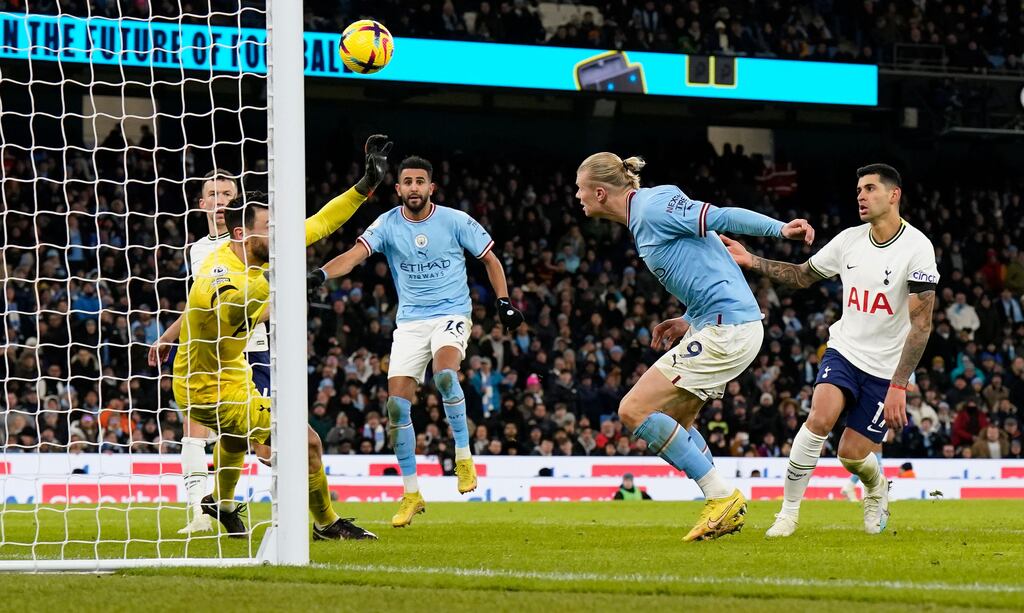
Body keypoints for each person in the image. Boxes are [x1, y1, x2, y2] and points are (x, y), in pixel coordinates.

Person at [574, 152, 813, 541]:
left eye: (580, 189)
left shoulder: (653, 206)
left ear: (600, 192)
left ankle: (721, 497)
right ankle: (724, 508)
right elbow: (707, 263)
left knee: (633, 409)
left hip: (728, 328)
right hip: (716, 324)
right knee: (677, 426)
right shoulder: (642, 219)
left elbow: (722, 217)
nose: (578, 197)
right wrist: (688, 317)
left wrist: (781, 229)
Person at [166, 134, 392, 538]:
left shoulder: (259, 250)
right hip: (204, 389)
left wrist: (365, 186)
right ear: (242, 234)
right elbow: (230, 307)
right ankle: (327, 523)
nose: (279, 233)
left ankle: (219, 503)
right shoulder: (219, 272)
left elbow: (322, 222)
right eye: (270, 227)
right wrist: (279, 285)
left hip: (232, 371)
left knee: (235, 440)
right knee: (305, 442)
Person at [722, 163, 938, 537]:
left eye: (870, 189)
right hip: (844, 350)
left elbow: (921, 324)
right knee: (818, 419)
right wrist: (751, 261)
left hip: (885, 368)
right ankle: (787, 514)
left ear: (893, 195)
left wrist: (899, 385)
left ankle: (876, 487)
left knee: (851, 455)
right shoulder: (849, 240)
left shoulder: (917, 248)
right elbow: (803, 275)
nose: (861, 196)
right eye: (858, 190)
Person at [311, 155, 524, 528]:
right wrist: (320, 274)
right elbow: (355, 256)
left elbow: (490, 260)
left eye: (419, 181)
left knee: (445, 375)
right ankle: (411, 493)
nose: (413, 188)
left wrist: (504, 302)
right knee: (395, 407)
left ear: (431, 187)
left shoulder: (455, 220)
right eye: (406, 182)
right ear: (397, 189)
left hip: (451, 314)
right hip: (410, 323)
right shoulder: (387, 224)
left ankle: (463, 455)